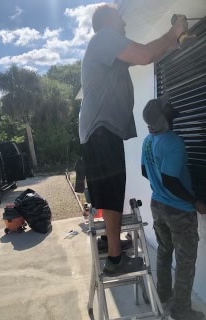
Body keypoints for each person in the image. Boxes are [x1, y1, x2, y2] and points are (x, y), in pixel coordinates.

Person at [79, 3, 188, 277]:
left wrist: (171, 45)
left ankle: (114, 255)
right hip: (101, 130)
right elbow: (143, 54)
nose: (125, 24)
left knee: (113, 196)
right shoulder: (104, 39)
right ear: (107, 22)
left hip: (102, 131)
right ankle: (115, 259)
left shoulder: (110, 51)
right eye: (120, 20)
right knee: (113, 196)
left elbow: (148, 57)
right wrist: (174, 30)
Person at [141, 95, 206, 320]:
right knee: (186, 261)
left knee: (164, 252)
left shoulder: (148, 140)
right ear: (163, 116)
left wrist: (157, 184)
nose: (172, 106)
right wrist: (194, 201)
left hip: (157, 204)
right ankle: (181, 310)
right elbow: (170, 180)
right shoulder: (173, 142)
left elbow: (144, 171)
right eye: (167, 106)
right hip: (178, 210)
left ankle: (162, 295)